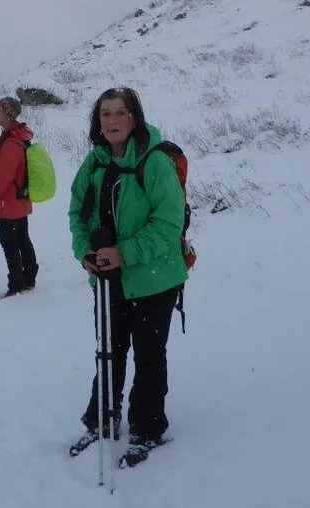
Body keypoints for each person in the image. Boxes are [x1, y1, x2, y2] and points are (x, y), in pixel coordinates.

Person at [67, 87, 188, 464]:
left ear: (134, 117)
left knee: (149, 354)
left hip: (154, 279)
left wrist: (125, 252)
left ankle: (147, 428)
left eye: (120, 112)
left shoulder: (154, 163)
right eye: (105, 114)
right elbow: (76, 215)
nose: (112, 120)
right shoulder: (94, 163)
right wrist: (84, 252)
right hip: (107, 278)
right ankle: (101, 420)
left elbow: (169, 221)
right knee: (109, 351)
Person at [0, 96, 39, 298]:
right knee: (22, 240)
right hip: (17, 201)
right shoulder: (15, 137)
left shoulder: (12, 142)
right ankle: (28, 278)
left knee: (11, 244)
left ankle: (17, 284)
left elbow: (3, 179)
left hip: (9, 203)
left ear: (7, 113)